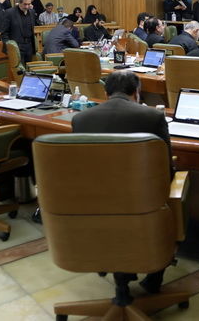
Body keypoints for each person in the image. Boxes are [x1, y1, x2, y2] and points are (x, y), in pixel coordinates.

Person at [70, 70, 172, 294]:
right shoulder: (153, 117)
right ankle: (155, 276)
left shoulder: (80, 119)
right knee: (181, 190)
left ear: (105, 93)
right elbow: (166, 168)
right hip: (142, 204)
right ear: (137, 92)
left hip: (94, 204)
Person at [0, 0, 36, 64]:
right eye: (25, 4)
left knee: (28, 69)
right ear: (19, 2)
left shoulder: (32, 12)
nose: (27, 7)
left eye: (29, 4)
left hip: (29, 46)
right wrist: (10, 47)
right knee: (19, 70)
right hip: (16, 47)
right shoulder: (9, 13)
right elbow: (4, 33)